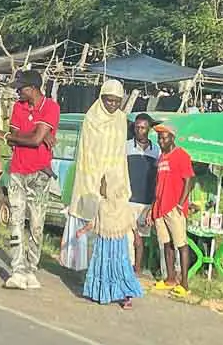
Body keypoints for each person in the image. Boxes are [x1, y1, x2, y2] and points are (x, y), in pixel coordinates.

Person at [75, 81, 143, 310]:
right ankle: (99, 288)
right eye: (109, 100)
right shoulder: (91, 119)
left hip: (115, 181)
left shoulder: (122, 120)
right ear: (101, 98)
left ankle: (121, 290)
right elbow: (86, 153)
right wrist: (96, 183)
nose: (113, 105)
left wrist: (117, 185)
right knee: (99, 252)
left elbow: (120, 155)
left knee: (117, 254)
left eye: (116, 101)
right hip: (95, 178)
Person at [3, 69, 60, 291]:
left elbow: (35, 140)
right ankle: (17, 269)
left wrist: (27, 136)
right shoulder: (19, 107)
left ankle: (31, 269)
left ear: (33, 88)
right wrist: (35, 133)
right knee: (15, 222)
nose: (18, 92)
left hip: (39, 173)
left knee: (36, 224)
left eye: (21, 88)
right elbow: (14, 137)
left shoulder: (51, 107)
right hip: (17, 170)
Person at [150, 122, 194, 298]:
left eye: (164, 138)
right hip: (160, 207)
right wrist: (154, 206)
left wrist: (180, 204)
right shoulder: (161, 158)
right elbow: (159, 183)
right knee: (166, 244)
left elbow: (189, 180)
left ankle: (184, 283)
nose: (161, 141)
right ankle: (170, 278)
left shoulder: (181, 155)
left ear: (172, 138)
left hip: (173, 207)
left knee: (181, 244)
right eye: (159, 138)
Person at [126, 112, 159, 276]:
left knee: (141, 239)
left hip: (146, 201)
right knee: (129, 238)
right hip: (128, 200)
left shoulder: (157, 151)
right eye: (137, 127)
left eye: (144, 128)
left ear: (149, 129)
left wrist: (153, 204)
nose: (140, 131)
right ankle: (127, 268)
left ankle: (137, 270)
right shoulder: (126, 147)